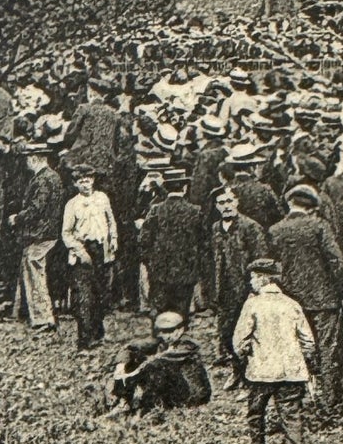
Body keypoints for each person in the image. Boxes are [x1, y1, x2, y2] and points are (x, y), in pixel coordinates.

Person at [233, 259, 318, 444]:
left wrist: (246, 356)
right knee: (292, 415)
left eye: (253, 277)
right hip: (291, 370)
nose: (251, 282)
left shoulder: (252, 305)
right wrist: (305, 361)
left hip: (262, 371)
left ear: (263, 278)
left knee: (256, 412)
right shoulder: (292, 304)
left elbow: (239, 341)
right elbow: (308, 341)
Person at [268, 185, 343, 393]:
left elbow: (273, 265)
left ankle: (300, 392)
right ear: (311, 206)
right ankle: (329, 397)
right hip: (323, 297)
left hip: (291, 298)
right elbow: (337, 261)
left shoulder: (276, 230)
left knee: (296, 344)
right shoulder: (319, 226)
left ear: (289, 203)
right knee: (327, 346)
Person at [211, 187, 270, 385]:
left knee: (249, 331)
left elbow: (261, 259)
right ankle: (237, 369)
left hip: (246, 290)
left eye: (229, 201)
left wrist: (256, 289)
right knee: (227, 332)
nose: (226, 206)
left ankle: (252, 373)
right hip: (225, 290)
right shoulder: (216, 228)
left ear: (237, 202)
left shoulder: (250, 227)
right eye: (221, 203)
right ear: (216, 206)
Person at [107, 311, 212, 417]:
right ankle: (124, 401)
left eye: (171, 331)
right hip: (175, 388)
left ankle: (143, 405)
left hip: (191, 393)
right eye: (163, 331)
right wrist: (122, 363)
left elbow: (166, 358)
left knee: (154, 367)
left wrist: (132, 373)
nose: (167, 335)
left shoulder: (188, 345)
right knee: (136, 359)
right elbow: (132, 346)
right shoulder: (161, 342)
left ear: (181, 329)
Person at [62, 166, 118, 351]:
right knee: (84, 296)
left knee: (101, 292)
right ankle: (84, 339)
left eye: (88, 180)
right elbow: (67, 233)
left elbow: (110, 221)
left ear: (93, 180)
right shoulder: (72, 204)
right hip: (83, 251)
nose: (85, 184)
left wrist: (113, 240)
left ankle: (97, 332)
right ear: (76, 184)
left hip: (101, 249)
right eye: (81, 181)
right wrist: (80, 251)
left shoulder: (102, 198)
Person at [10, 142, 65, 332]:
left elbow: (36, 208)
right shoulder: (54, 177)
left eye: (27, 158)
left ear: (34, 158)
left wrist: (17, 218)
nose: (25, 162)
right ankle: (27, 312)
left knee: (35, 274)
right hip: (47, 233)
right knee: (33, 272)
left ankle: (43, 318)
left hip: (40, 234)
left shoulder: (42, 180)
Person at [138, 173, 204, 320]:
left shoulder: (156, 210)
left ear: (166, 189)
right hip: (186, 268)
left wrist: (149, 261)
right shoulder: (195, 211)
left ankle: (161, 338)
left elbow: (144, 239)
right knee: (182, 309)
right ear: (184, 189)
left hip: (160, 269)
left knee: (161, 309)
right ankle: (178, 338)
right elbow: (203, 241)